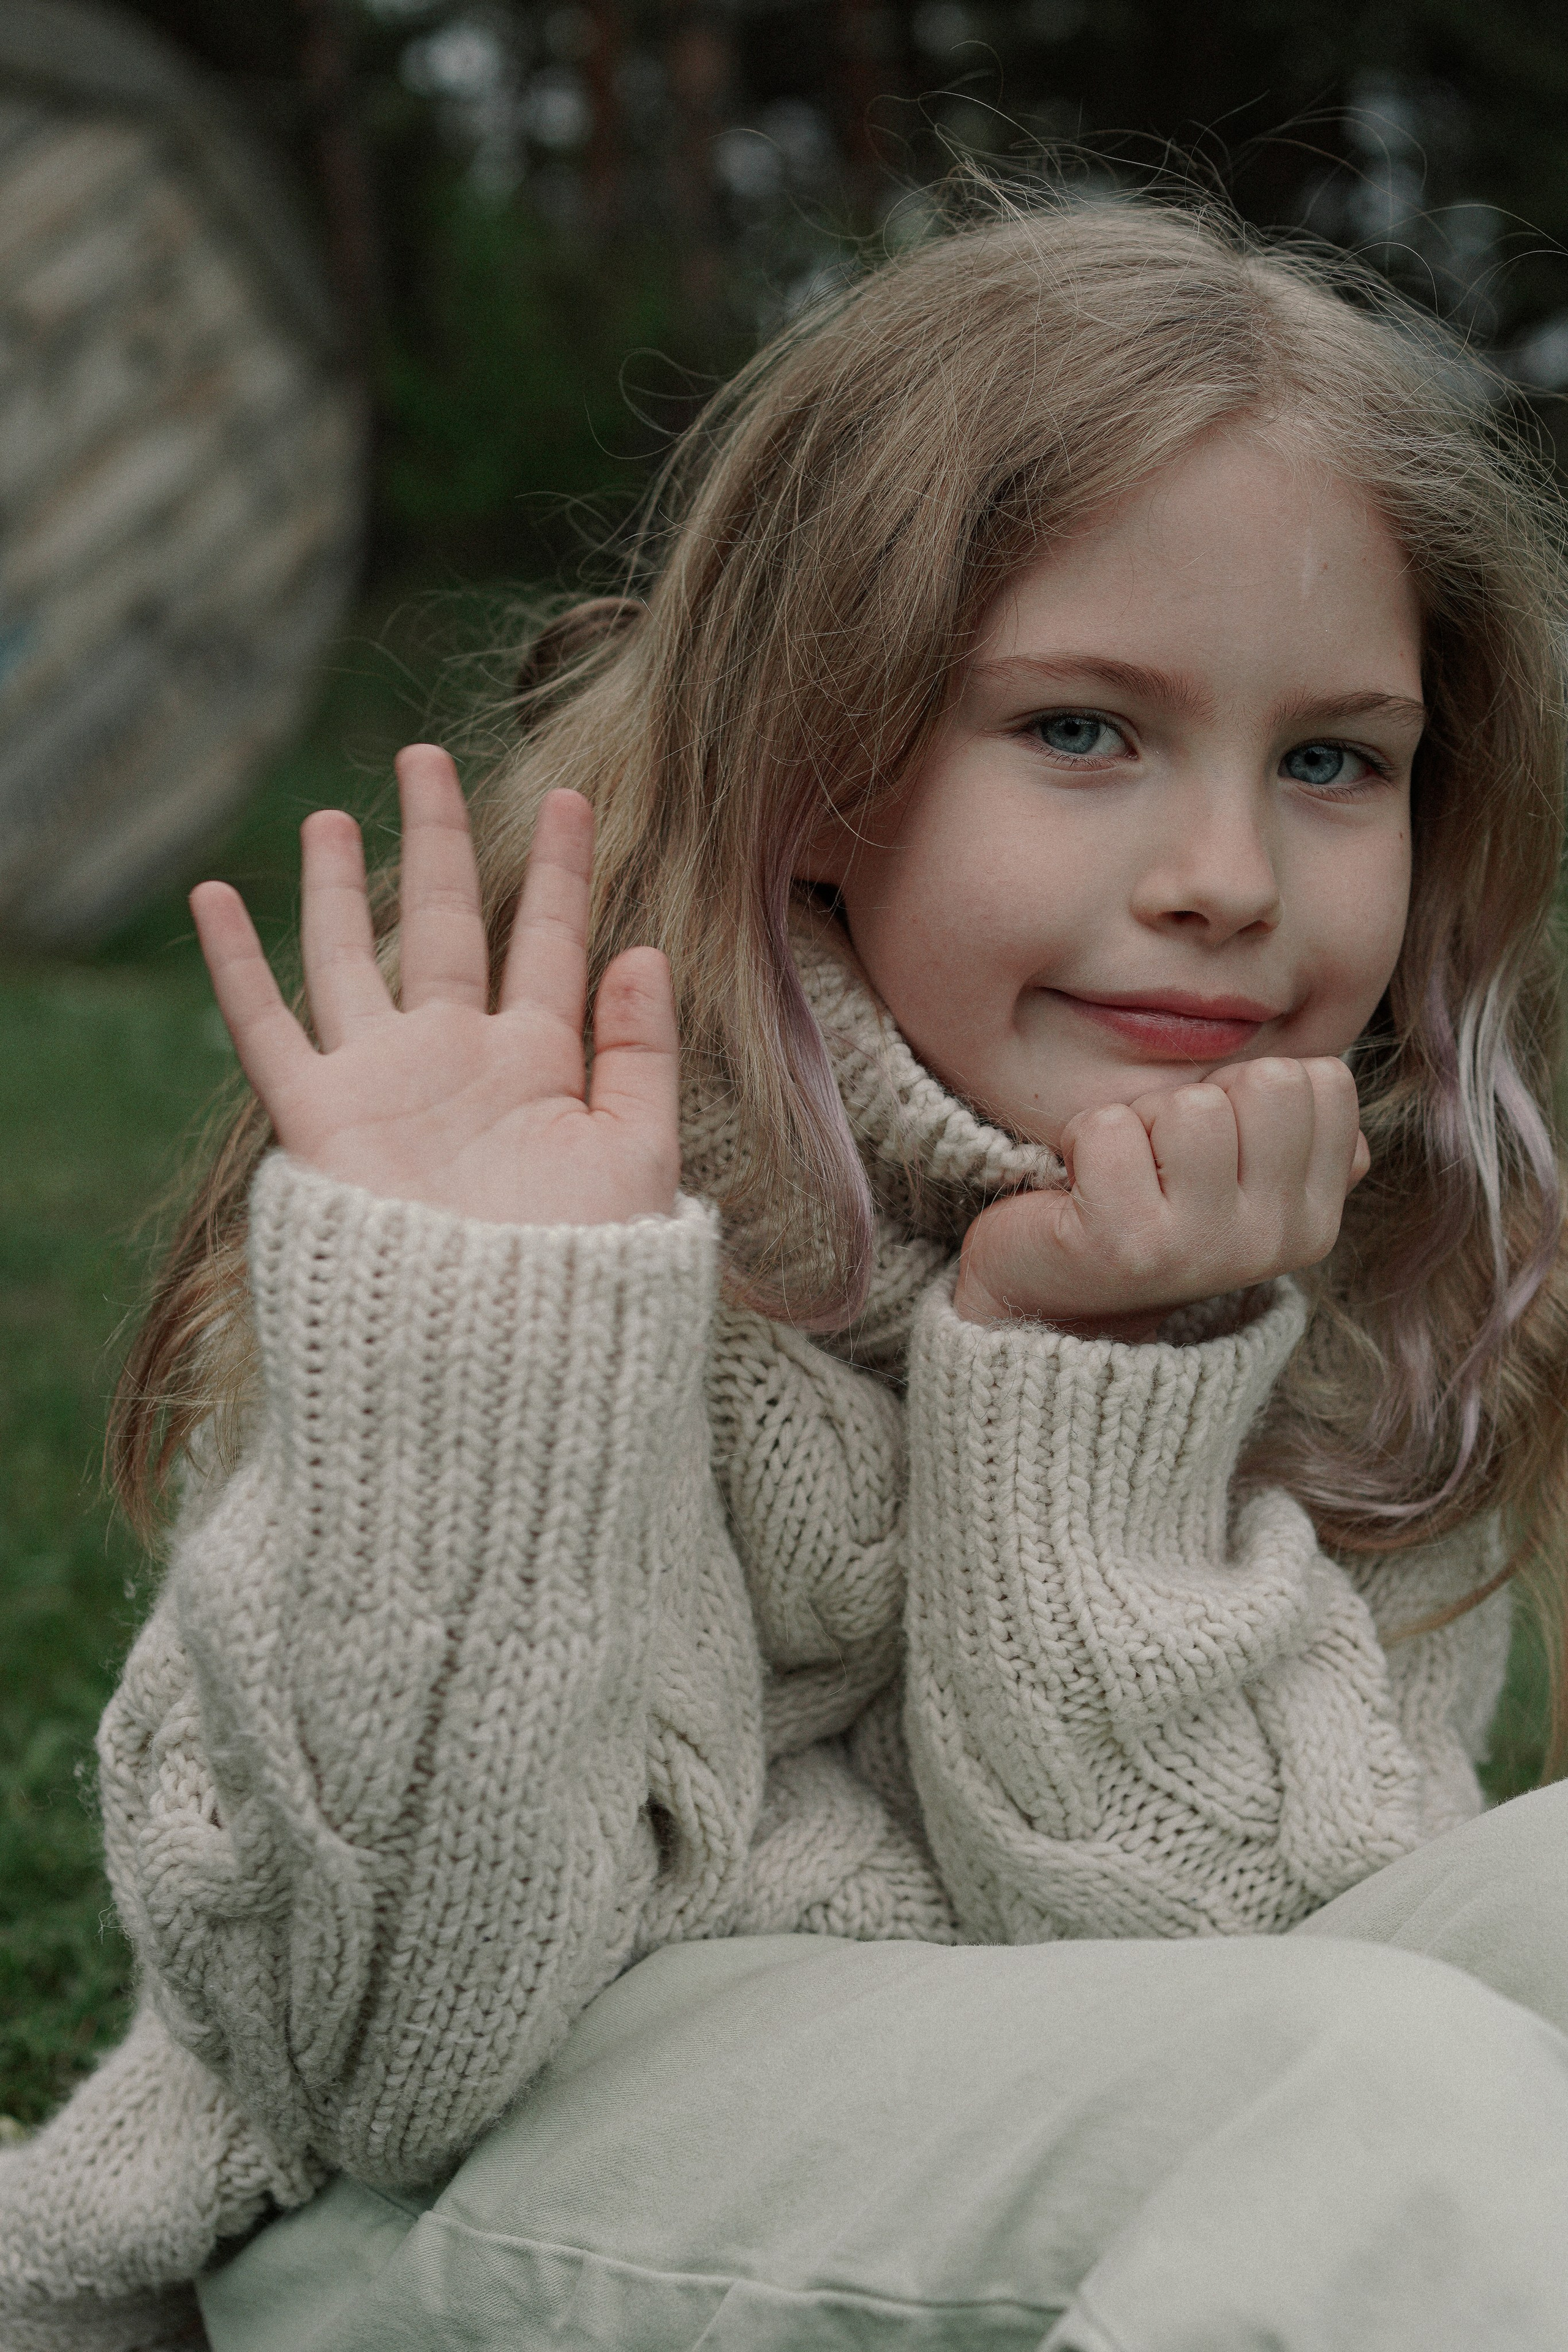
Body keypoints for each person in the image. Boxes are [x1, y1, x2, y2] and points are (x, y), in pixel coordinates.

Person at [7, 188, 1568, 2352]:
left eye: (1333, 762)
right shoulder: (556, 1207)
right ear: (825, 762)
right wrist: (480, 1352)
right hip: (461, 2195)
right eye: (1083, 731)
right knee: (1392, 2108)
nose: (1228, 878)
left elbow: (1259, 1942)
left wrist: (1107, 1372)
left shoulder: (1369, 1250)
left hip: (1060, 2128)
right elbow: (377, 2062)